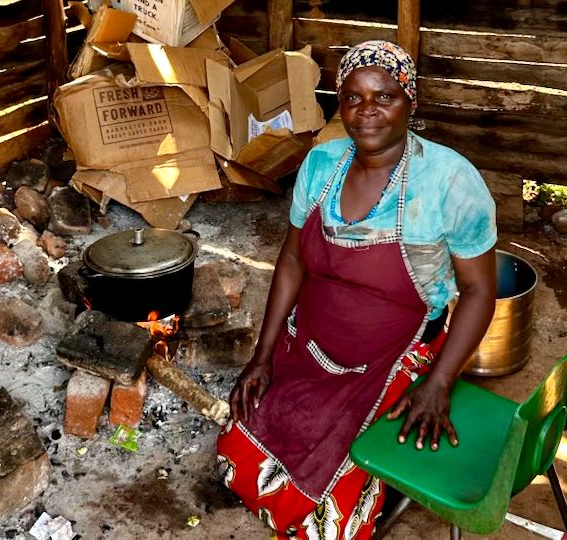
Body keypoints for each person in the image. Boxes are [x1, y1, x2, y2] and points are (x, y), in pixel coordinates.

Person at [216, 41, 498, 540]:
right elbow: (293, 259)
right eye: (353, 98)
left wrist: (440, 383)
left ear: (411, 101)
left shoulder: (449, 182)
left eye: (384, 96)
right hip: (313, 344)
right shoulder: (321, 166)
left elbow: (478, 292)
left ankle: (373, 478)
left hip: (396, 351)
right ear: (339, 103)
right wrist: (263, 356)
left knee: (327, 525)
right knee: (236, 454)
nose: (367, 112)